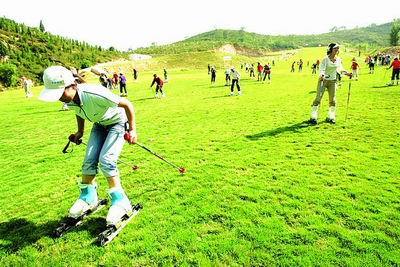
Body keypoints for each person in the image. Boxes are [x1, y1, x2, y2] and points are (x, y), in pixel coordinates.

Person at [37, 65, 137, 227]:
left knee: (107, 160)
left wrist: (132, 130)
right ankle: (88, 197)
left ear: (73, 86)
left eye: (60, 92)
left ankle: (121, 202)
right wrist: (80, 132)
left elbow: (126, 104)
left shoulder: (94, 93)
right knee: (89, 159)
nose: (58, 98)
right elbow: (79, 112)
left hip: (117, 123)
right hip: (99, 124)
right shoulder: (69, 99)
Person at [309, 43, 352, 125]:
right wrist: (322, 75)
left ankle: (331, 116)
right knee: (318, 98)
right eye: (335, 48)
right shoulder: (325, 59)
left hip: (333, 81)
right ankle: (313, 117)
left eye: (337, 49)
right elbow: (321, 69)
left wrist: (347, 73)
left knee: (332, 100)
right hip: (323, 81)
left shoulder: (338, 59)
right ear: (331, 49)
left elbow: (340, 69)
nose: (337, 50)